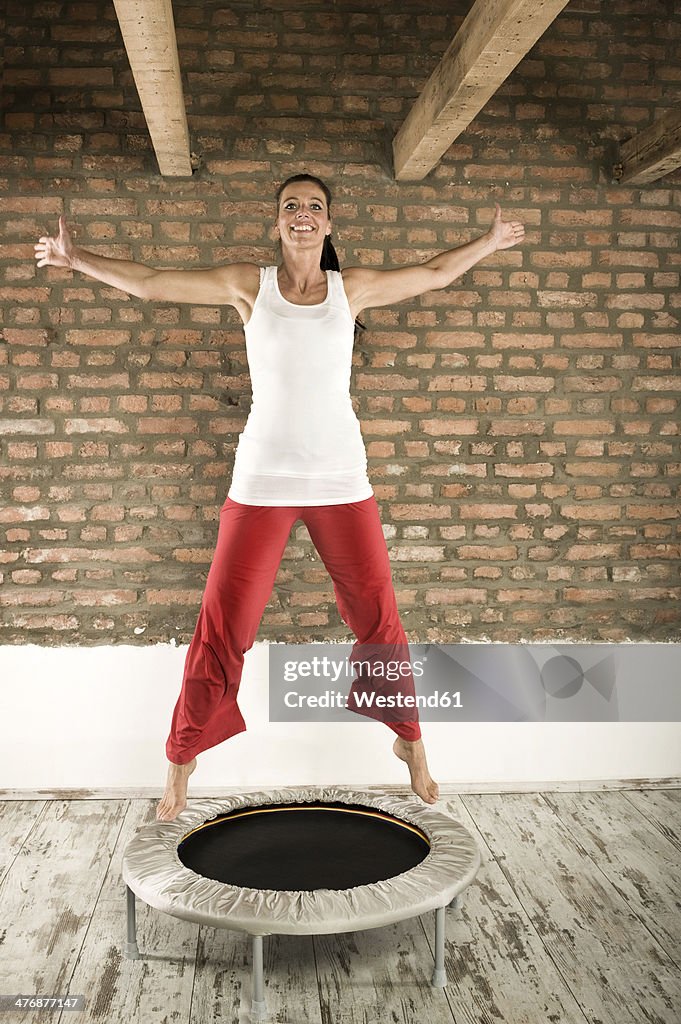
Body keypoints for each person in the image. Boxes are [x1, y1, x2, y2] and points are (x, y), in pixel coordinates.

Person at [35, 175, 525, 821]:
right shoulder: (250, 285)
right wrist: (78, 260)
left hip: (340, 481)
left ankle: (412, 747)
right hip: (262, 481)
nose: (301, 214)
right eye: (290, 205)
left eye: (313, 207)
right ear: (277, 223)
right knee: (222, 628)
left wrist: (486, 243)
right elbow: (153, 280)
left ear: (327, 224)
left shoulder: (351, 289)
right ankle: (180, 766)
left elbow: (433, 272)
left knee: (378, 618)